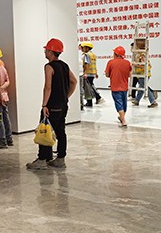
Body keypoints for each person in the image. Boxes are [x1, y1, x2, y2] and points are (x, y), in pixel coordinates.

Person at [26, 39, 77, 170]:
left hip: (52, 105)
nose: (45, 52)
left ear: (50, 51)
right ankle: (60, 159)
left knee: (44, 130)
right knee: (60, 132)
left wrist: (44, 105)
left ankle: (42, 160)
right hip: (63, 105)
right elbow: (74, 81)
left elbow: (48, 87)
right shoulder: (64, 65)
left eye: (46, 50)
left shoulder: (49, 66)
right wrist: (66, 96)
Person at [105, 46, 132, 128]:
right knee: (124, 103)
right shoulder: (127, 63)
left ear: (116, 54)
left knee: (118, 103)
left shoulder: (110, 62)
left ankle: (123, 121)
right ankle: (122, 117)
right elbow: (130, 75)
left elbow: (107, 74)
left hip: (115, 86)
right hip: (124, 87)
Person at [80, 42, 105, 106]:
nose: (82, 49)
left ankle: (98, 98)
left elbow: (87, 64)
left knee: (88, 87)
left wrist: (85, 73)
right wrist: (96, 73)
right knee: (90, 86)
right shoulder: (93, 55)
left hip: (88, 73)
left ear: (87, 48)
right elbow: (94, 64)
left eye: (83, 47)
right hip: (92, 73)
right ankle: (91, 101)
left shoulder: (87, 55)